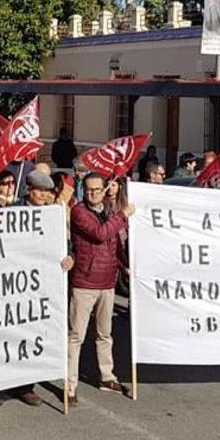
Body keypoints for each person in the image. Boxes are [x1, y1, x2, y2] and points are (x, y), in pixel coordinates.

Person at [0, 170, 74, 408]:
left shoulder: (53, 216)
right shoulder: (11, 213)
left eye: (47, 192)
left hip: (39, 287)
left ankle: (25, 386)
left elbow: (66, 245)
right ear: (29, 191)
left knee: (31, 337)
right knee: (5, 336)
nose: (44, 195)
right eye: (40, 191)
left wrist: (69, 258)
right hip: (12, 286)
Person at [67, 173, 135, 405]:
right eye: (88, 189)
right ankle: (70, 383)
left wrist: (125, 266)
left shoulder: (110, 212)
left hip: (108, 282)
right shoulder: (79, 212)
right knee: (76, 336)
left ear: (105, 190)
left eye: (97, 189)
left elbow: (114, 243)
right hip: (85, 282)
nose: (93, 193)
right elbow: (100, 234)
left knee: (105, 334)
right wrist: (123, 216)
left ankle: (107, 376)